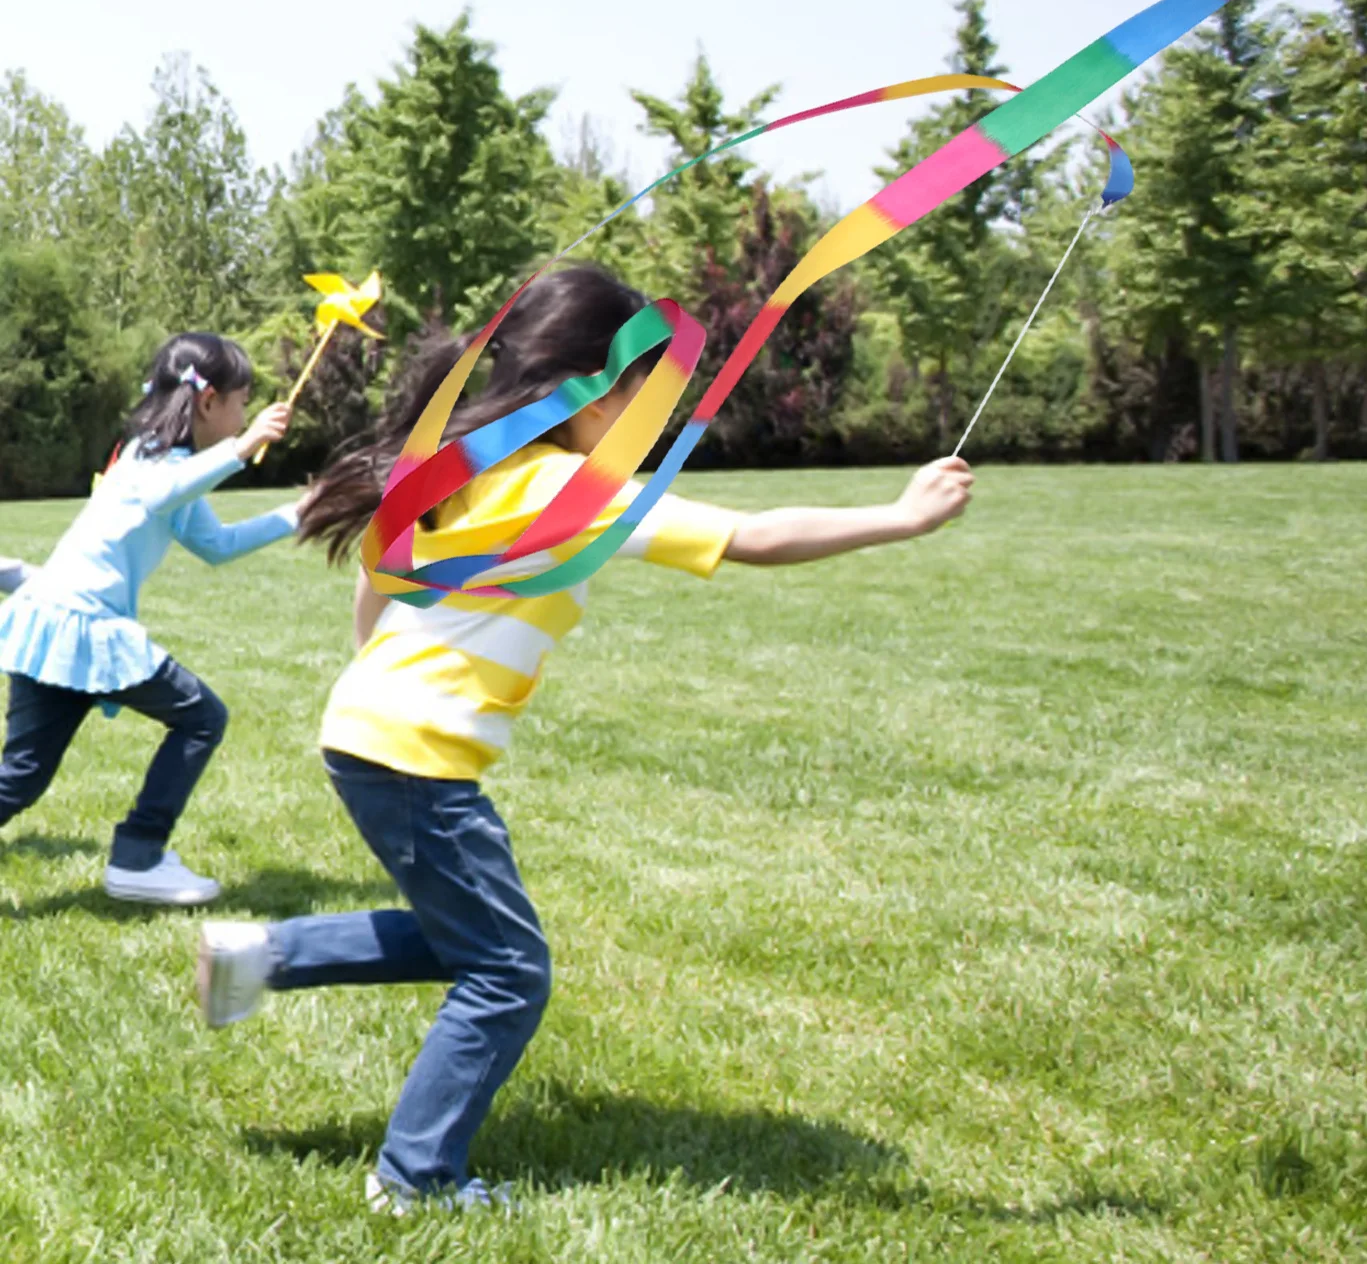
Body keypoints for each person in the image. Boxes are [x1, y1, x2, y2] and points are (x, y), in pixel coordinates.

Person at [196, 264, 973, 1213]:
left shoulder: (465, 464)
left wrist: (374, 672)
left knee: (474, 937)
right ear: (590, 387)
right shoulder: (570, 486)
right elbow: (754, 536)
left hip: (374, 732)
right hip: (414, 754)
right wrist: (900, 518)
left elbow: (378, 575)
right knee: (508, 970)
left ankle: (264, 954)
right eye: (643, 386)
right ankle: (415, 1176)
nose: (651, 409)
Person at [0, 333, 303, 905]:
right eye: (242, 403)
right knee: (202, 718)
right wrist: (243, 448)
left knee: (20, 777)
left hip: (57, 626)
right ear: (208, 401)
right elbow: (166, 491)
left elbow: (217, 545)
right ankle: (138, 856)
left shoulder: (158, 462)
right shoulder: (152, 462)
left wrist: (298, 514)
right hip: (79, 628)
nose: (244, 417)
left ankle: (140, 856)